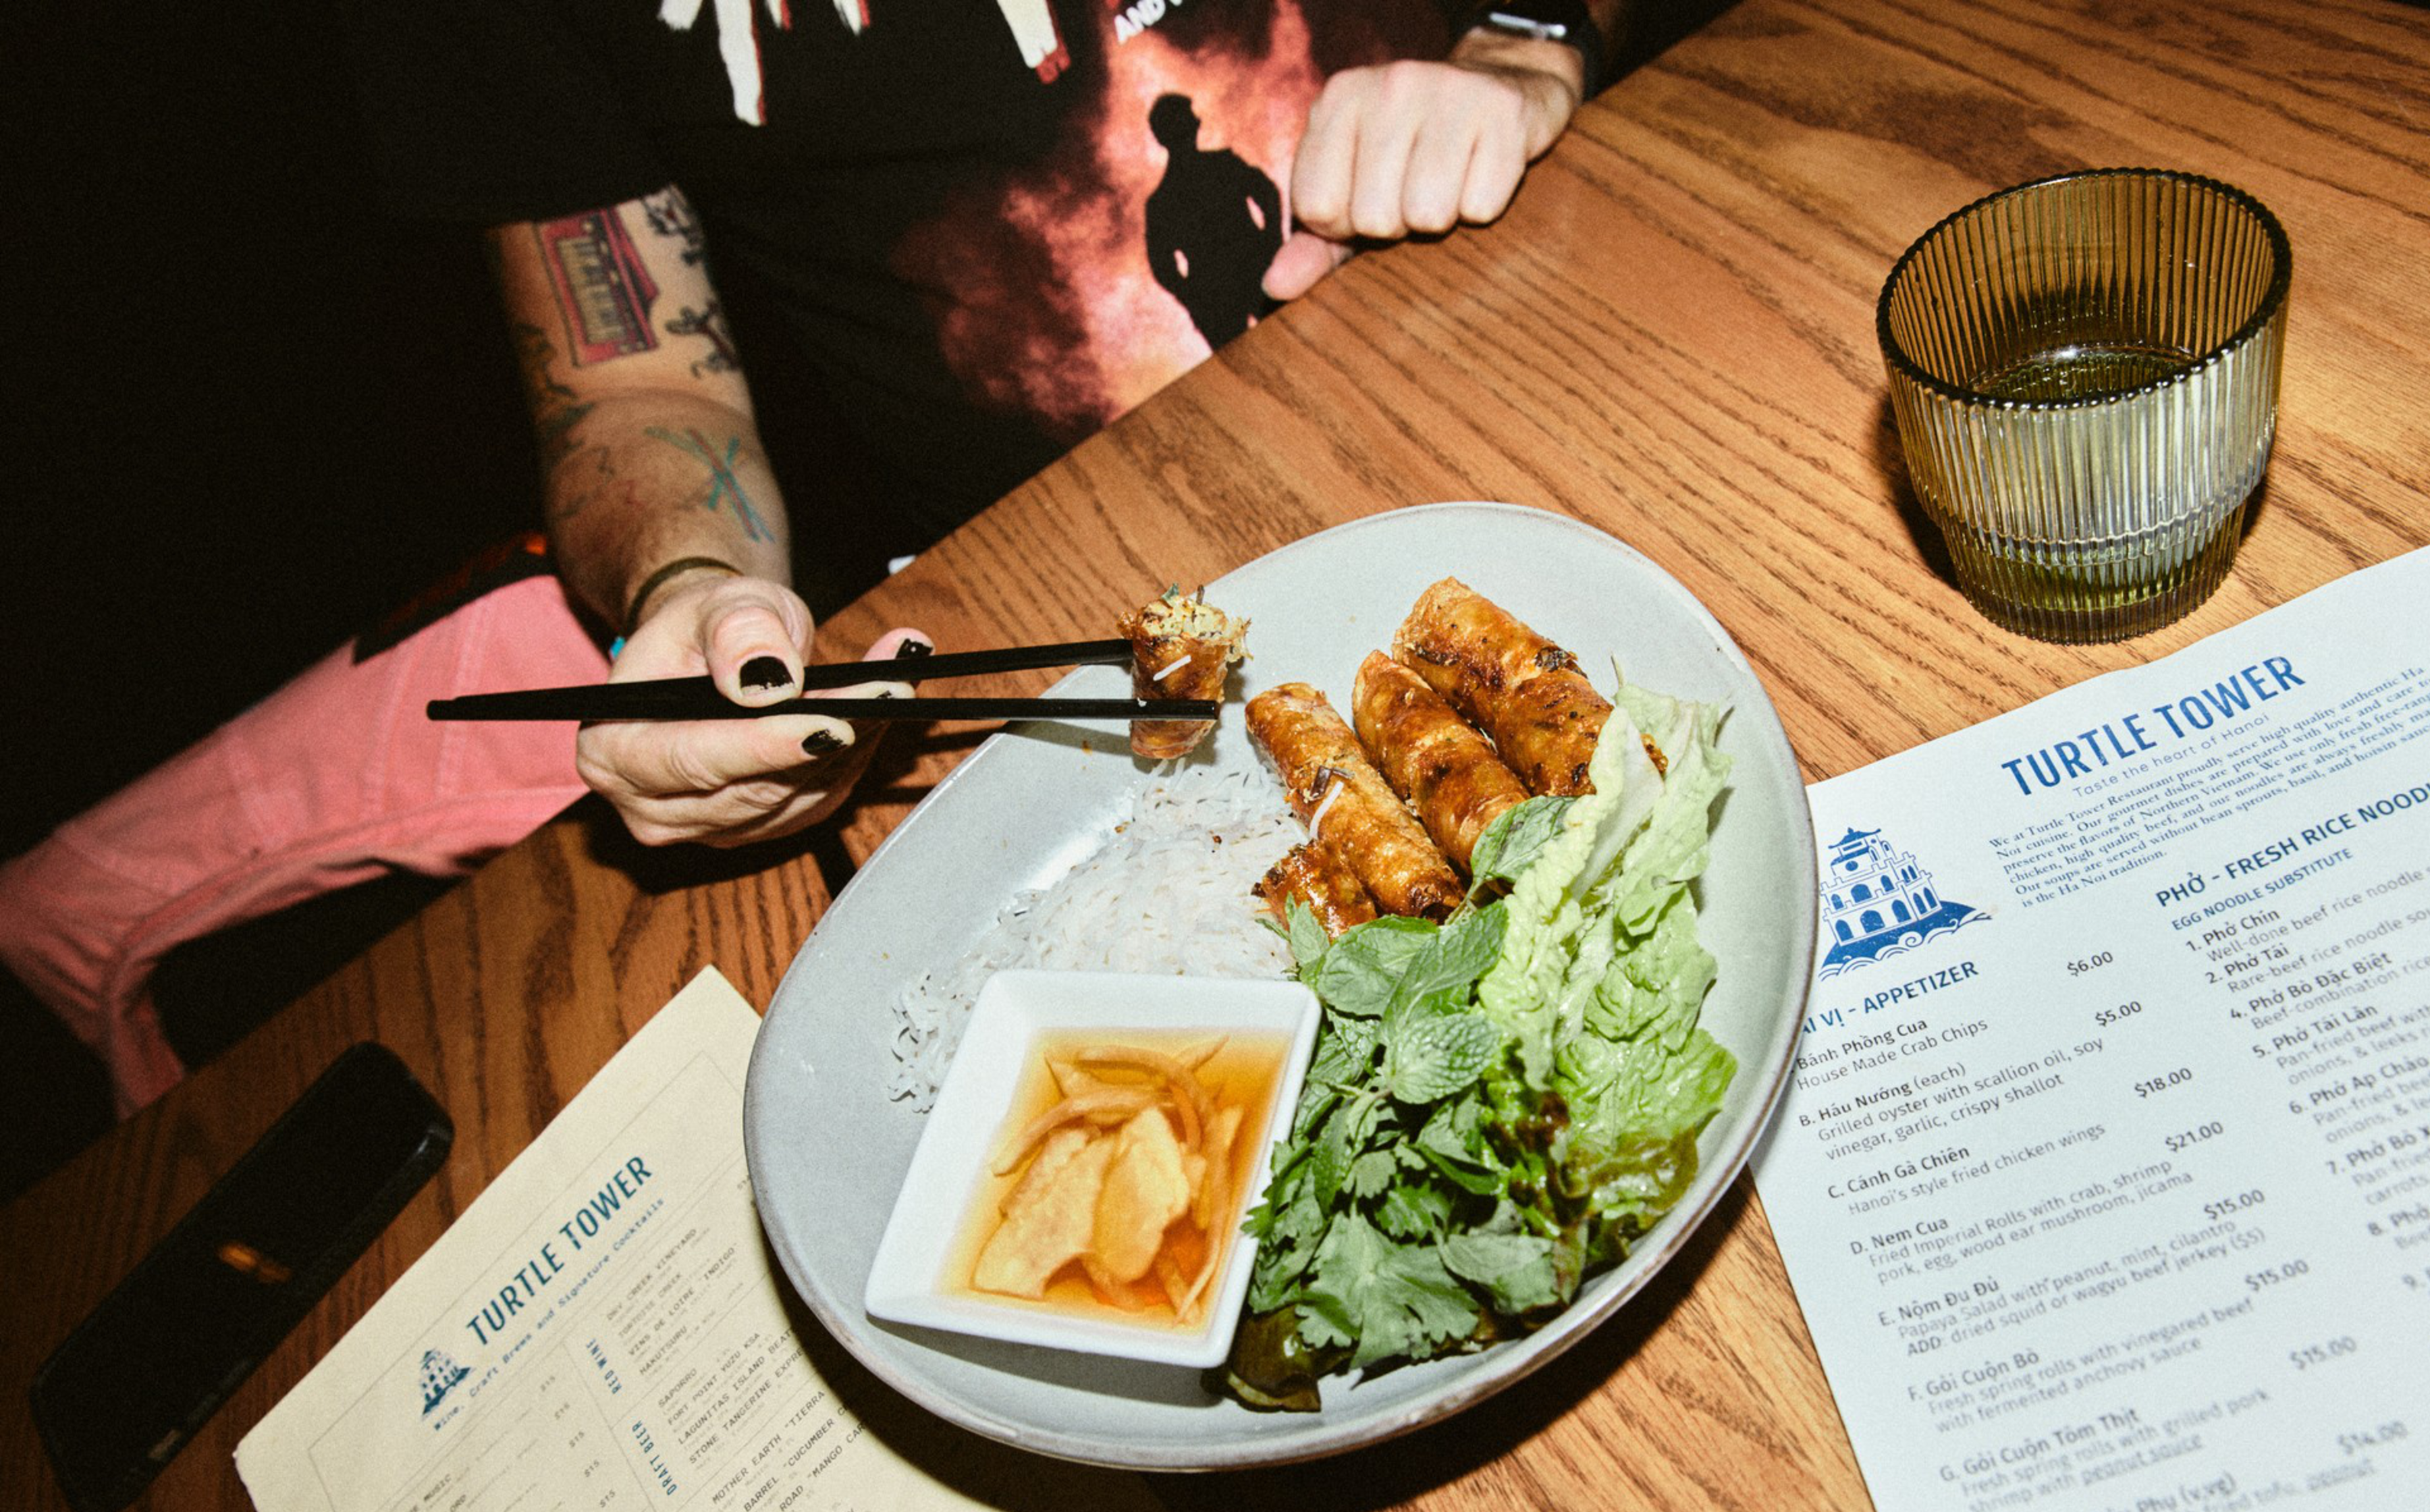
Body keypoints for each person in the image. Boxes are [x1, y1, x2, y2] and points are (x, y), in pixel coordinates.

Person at [0, 0, 1617, 1112]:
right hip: (1109, 622)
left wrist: (1529, 40)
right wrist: (693, 588)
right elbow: (628, 373)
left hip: (1540, 329)